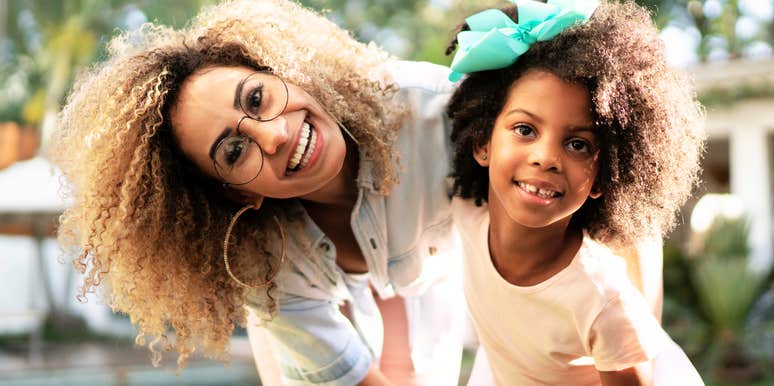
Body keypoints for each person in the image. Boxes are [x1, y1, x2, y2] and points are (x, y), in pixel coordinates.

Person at [50, 0, 465, 384]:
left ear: (284, 72)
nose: (274, 136)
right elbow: (354, 377)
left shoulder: (436, 114)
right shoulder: (265, 268)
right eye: (234, 151)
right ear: (237, 195)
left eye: (256, 98)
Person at [444, 0, 705, 385]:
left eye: (578, 144)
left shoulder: (603, 302)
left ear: (603, 178)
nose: (547, 158)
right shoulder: (465, 213)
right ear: (482, 142)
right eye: (525, 129)